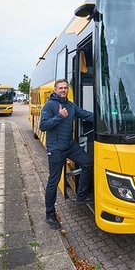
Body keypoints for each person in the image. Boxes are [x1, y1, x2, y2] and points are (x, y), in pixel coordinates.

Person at [40, 79, 94, 230]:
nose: (63, 90)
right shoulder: (50, 105)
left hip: (69, 145)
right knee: (53, 181)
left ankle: (81, 196)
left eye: (65, 88)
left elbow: (85, 115)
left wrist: (104, 117)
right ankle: (49, 214)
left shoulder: (71, 106)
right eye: (60, 88)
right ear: (55, 90)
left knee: (88, 162)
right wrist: (60, 116)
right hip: (56, 149)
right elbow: (43, 126)